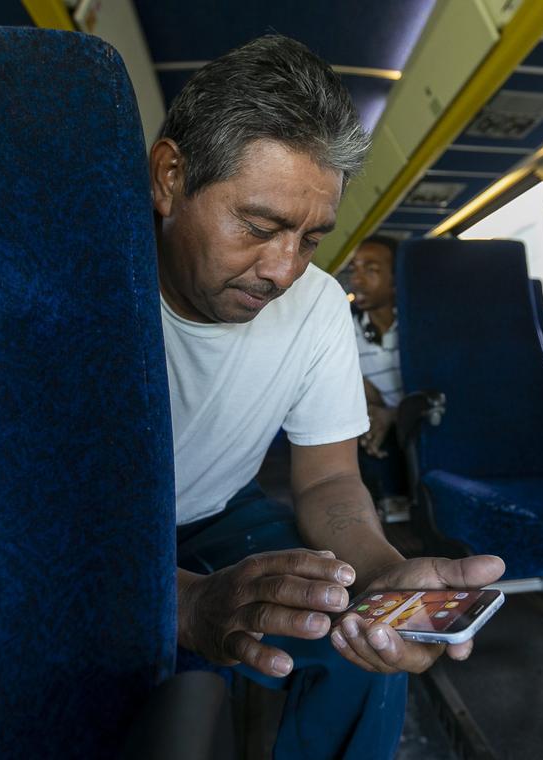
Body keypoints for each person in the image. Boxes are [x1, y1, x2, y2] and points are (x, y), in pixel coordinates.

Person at [150, 35, 505, 759]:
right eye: (259, 226)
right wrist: (183, 601)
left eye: (312, 239)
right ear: (169, 177)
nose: (283, 270)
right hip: (77, 530)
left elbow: (331, 478)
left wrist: (380, 575)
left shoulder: (313, 306)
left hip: (216, 511)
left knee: (357, 630)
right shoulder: (74, 278)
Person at [347, 235, 410, 513]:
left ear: (397, 280)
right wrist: (374, 411)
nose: (357, 280)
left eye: (370, 269)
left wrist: (393, 414)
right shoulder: (343, 331)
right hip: (377, 423)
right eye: (355, 269)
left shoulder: (420, 326)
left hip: (425, 421)